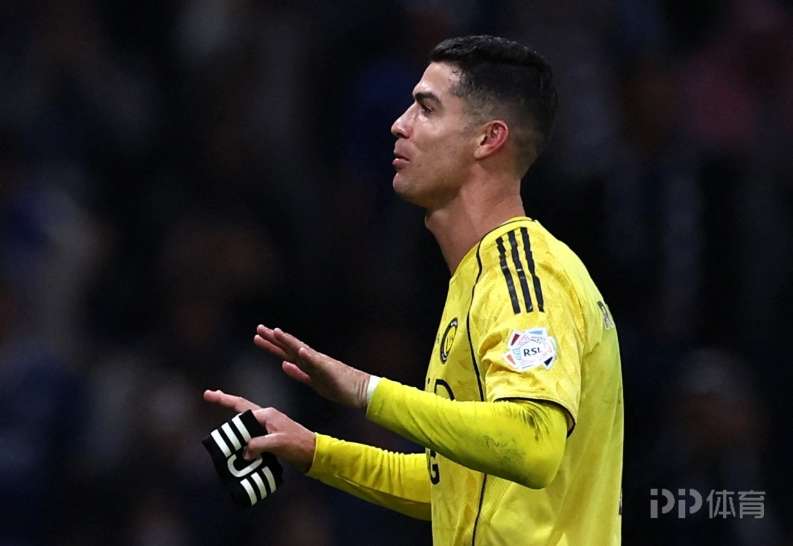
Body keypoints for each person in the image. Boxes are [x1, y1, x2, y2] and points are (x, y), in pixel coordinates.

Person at [204, 35, 623, 545]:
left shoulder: (525, 274)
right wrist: (315, 451)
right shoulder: (479, 278)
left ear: (488, 139)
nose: (399, 125)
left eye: (426, 108)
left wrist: (366, 391)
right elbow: (456, 487)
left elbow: (534, 445)